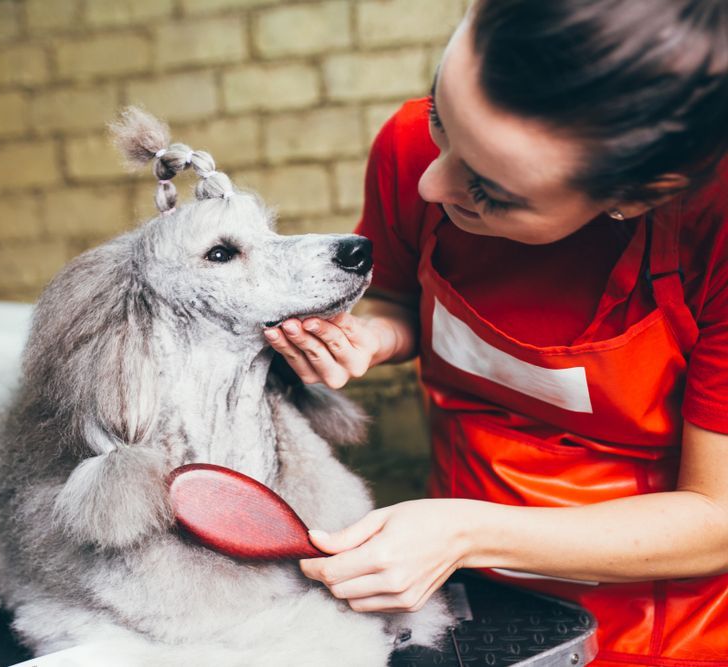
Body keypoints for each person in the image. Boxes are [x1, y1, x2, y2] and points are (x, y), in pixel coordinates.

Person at [263, 1, 728, 664]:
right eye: (439, 117)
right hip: (470, 594)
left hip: (663, 626)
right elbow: (402, 298)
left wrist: (463, 531)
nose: (431, 182)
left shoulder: (715, 235)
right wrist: (374, 338)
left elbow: (718, 516)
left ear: (641, 193)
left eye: (490, 190)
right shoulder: (410, 153)